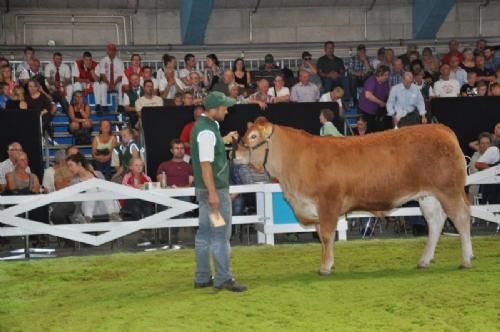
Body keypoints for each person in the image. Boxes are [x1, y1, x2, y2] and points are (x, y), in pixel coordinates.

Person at [190, 91, 246, 292]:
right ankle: (223, 278)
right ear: (214, 109)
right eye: (224, 107)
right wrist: (214, 193)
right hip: (214, 191)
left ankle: (202, 276)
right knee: (220, 235)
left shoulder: (206, 128)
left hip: (206, 189)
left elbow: (207, 154)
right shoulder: (206, 132)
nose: (227, 110)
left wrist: (223, 139)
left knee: (204, 234)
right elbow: (206, 165)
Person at [67, 153, 121, 223]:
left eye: (71, 165)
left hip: (104, 206)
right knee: (91, 189)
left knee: (101, 186)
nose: (69, 168)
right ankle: (88, 217)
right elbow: (76, 202)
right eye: (68, 166)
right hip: (86, 208)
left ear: (79, 164)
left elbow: (107, 190)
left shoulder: (97, 174)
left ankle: (112, 214)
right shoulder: (74, 181)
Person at [121, 157, 154, 246]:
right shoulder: (127, 177)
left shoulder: (147, 177)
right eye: (136, 165)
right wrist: (137, 187)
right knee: (136, 208)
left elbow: (151, 187)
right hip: (130, 201)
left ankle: (147, 233)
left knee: (148, 210)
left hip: (144, 201)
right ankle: (140, 233)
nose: (139, 167)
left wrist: (142, 187)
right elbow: (124, 187)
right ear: (131, 167)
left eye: (141, 165)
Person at [357, 65, 391, 133]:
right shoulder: (371, 80)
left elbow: (388, 93)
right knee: (368, 131)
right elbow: (368, 95)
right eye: (385, 75)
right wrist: (380, 102)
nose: (387, 77)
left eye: (388, 74)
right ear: (379, 74)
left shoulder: (385, 82)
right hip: (366, 110)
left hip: (377, 110)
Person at [95, 43, 124, 113]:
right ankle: (104, 106)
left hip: (116, 82)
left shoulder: (120, 62)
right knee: (102, 86)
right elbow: (102, 74)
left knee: (121, 85)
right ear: (107, 51)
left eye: (113, 50)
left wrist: (114, 84)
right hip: (106, 81)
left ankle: (120, 105)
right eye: (110, 50)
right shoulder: (103, 61)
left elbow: (120, 76)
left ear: (115, 51)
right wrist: (109, 83)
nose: (112, 52)